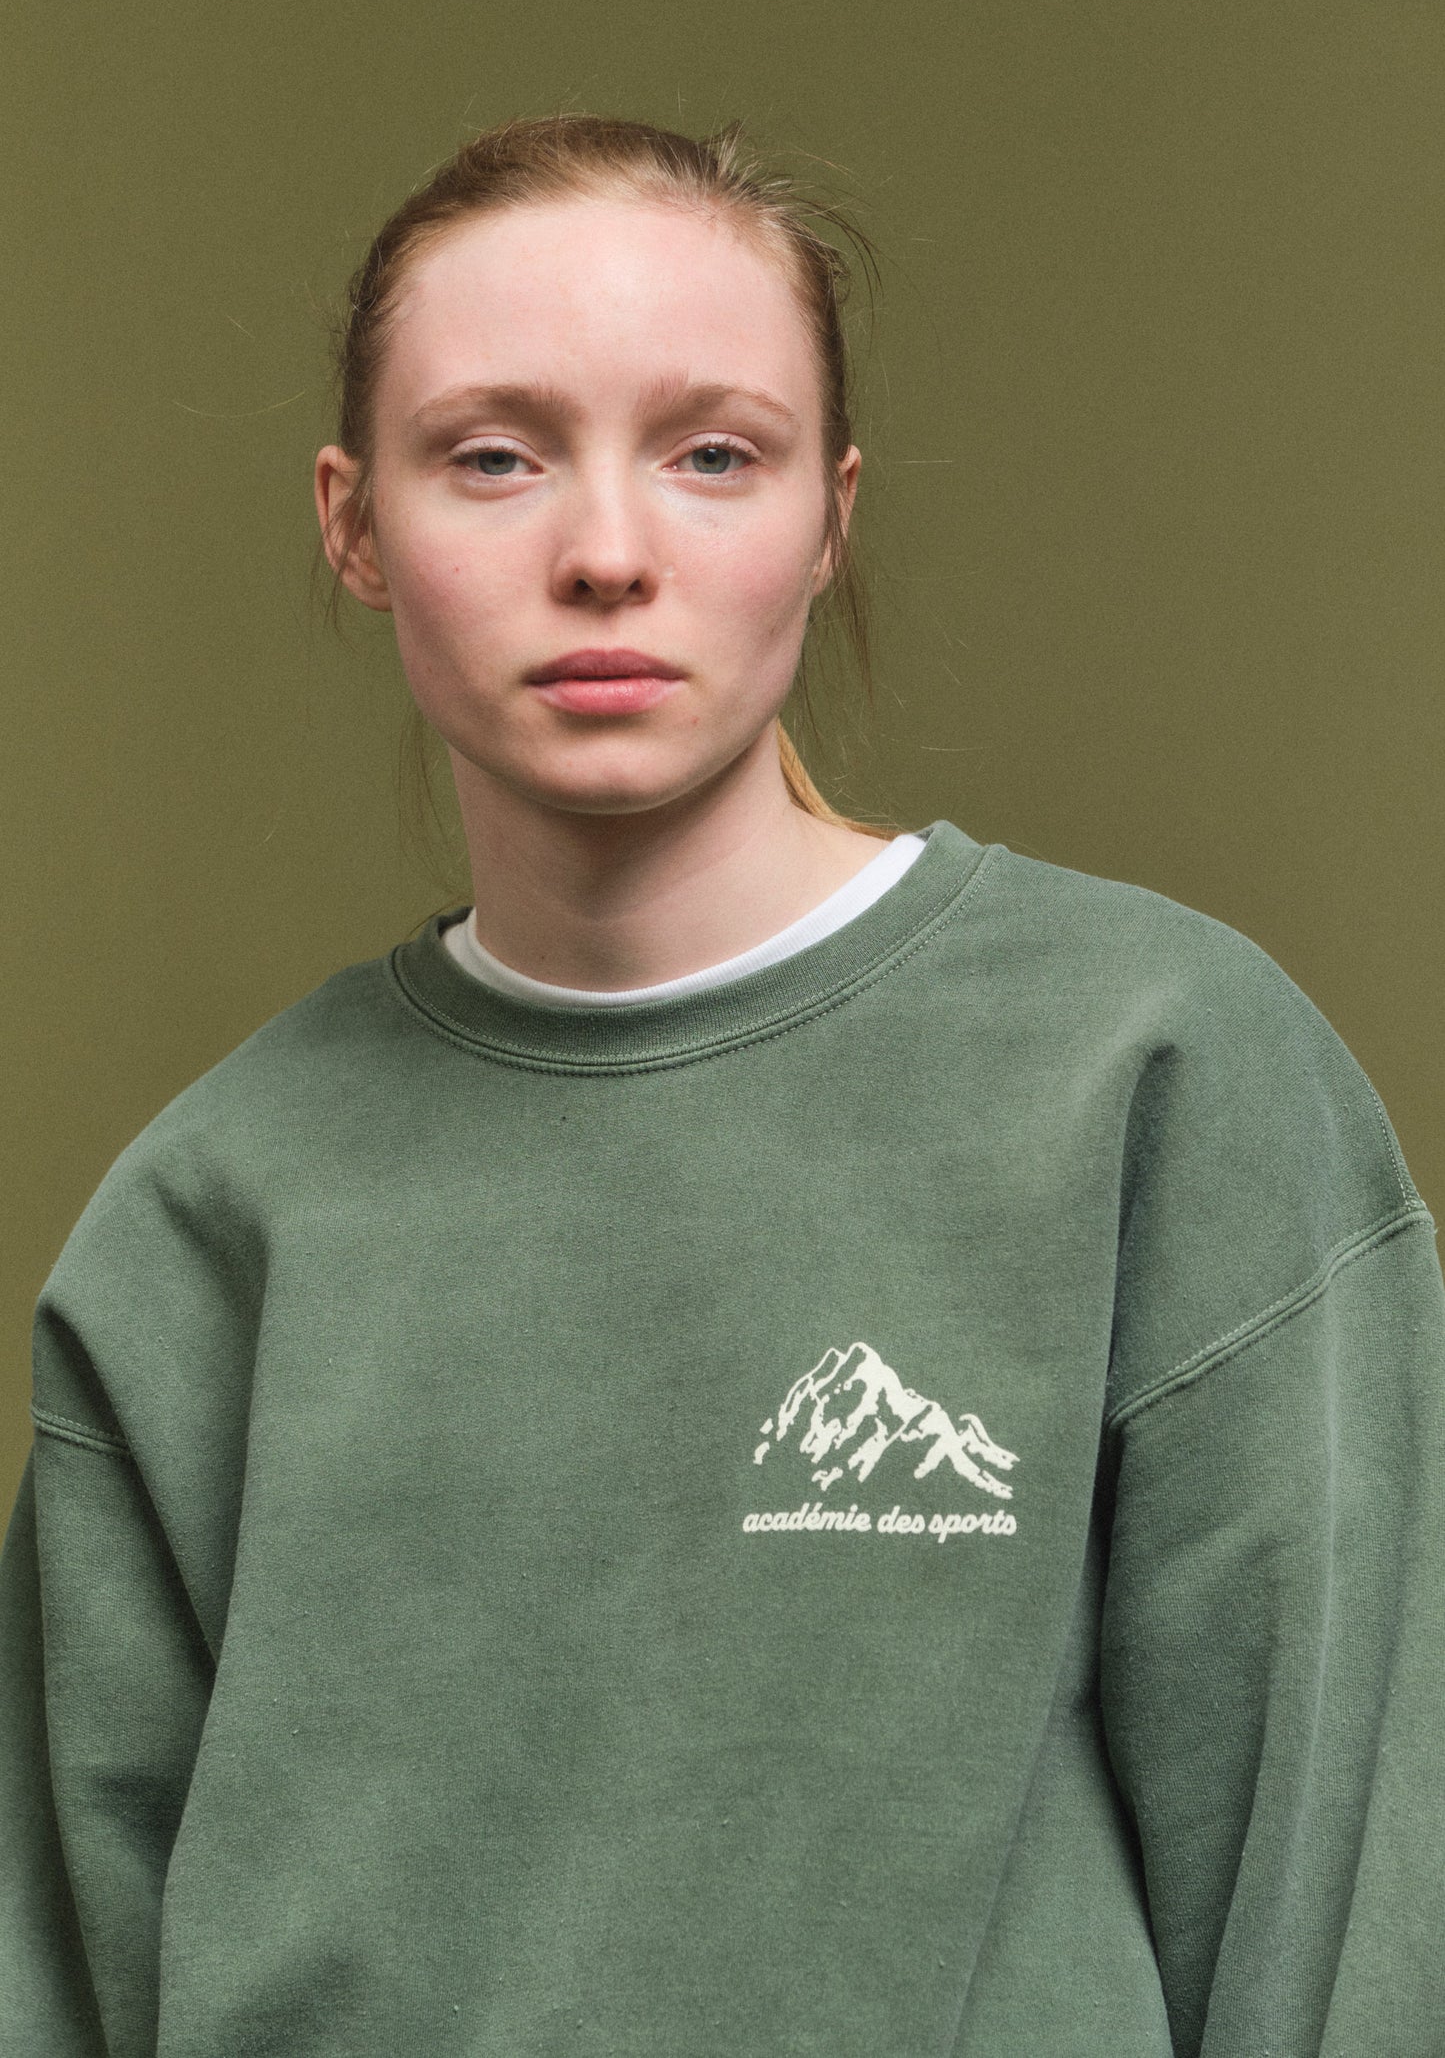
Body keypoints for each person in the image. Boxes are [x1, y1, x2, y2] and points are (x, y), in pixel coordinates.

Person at [2, 112, 1442, 2058]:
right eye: (492, 455)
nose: (607, 554)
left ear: (828, 515)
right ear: (352, 523)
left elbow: (1344, 1929)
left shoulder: (1157, 1074)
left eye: (711, 455)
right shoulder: (208, 1221)